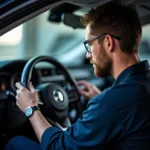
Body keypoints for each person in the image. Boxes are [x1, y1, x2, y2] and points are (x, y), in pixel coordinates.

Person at [5, 1, 150, 150]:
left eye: (89, 44)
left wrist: (31, 109)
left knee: (15, 143)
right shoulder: (140, 85)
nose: (88, 55)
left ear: (108, 42)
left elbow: (58, 147)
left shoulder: (111, 103)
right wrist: (100, 101)